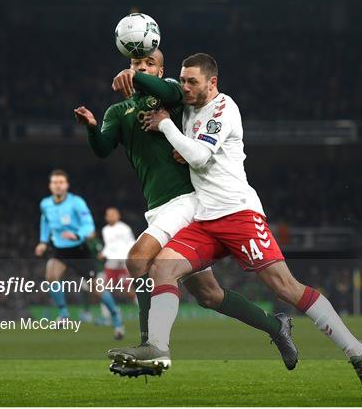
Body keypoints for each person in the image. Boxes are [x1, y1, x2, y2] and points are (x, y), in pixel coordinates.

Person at [110, 53, 362, 399]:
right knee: (163, 267)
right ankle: (158, 349)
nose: (185, 87)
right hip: (205, 219)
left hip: (239, 214)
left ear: (213, 83)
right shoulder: (186, 107)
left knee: (286, 288)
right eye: (182, 80)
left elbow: (199, 156)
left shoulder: (224, 108)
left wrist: (166, 125)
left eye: (193, 81)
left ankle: (359, 352)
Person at [74, 49, 296, 376]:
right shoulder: (118, 111)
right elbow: (102, 149)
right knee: (209, 295)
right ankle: (276, 327)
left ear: (160, 70)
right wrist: (92, 127)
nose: (142, 67)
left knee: (137, 260)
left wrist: (140, 80)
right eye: (137, 64)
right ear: (128, 65)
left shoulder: (173, 96)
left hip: (187, 201)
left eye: (149, 64)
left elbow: (168, 92)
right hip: (157, 208)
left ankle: (151, 347)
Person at [34, 169, 124, 339]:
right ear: (50, 186)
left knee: (95, 288)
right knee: (51, 275)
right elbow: (44, 220)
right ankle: (64, 314)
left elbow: (88, 225)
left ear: (66, 185)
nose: (58, 186)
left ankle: (115, 316)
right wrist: (43, 241)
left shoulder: (76, 203)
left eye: (61, 182)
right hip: (59, 250)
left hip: (79, 250)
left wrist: (78, 235)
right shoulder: (46, 204)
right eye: (55, 182)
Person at [100, 207, 136, 300]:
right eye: (109, 214)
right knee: (105, 286)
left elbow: (131, 243)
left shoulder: (124, 228)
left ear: (118, 216)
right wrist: (103, 253)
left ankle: (141, 307)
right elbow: (109, 246)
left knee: (128, 288)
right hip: (111, 262)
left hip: (123, 261)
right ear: (106, 217)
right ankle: (108, 311)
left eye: (113, 214)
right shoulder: (105, 230)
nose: (111, 216)